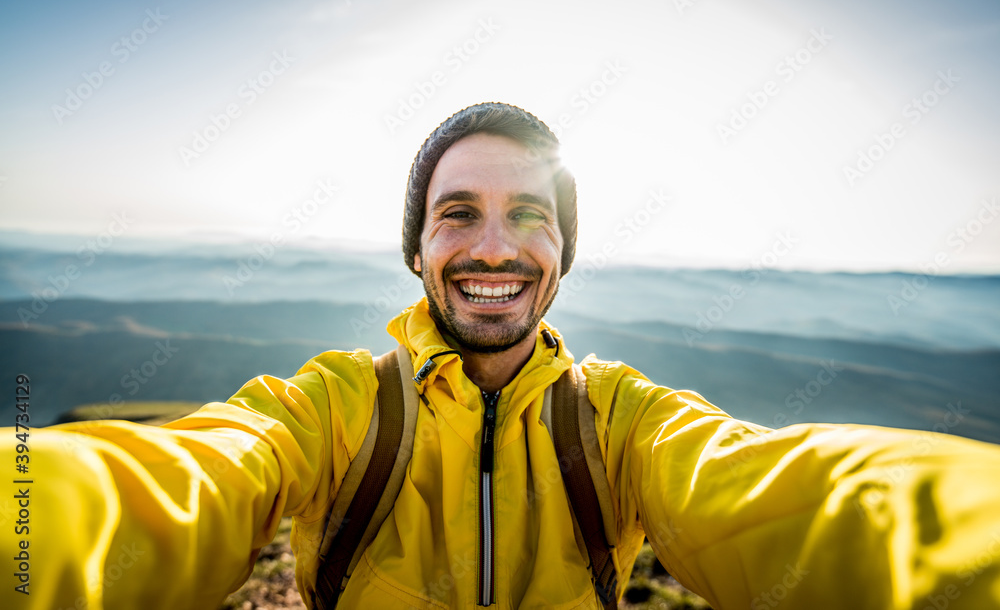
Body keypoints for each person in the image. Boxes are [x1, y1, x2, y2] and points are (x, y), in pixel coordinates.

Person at [3, 102, 1000, 610]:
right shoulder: (336, 403)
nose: (491, 246)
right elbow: (183, 476)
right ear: (418, 248)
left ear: (562, 251)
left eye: (529, 214)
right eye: (456, 214)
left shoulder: (622, 419)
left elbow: (799, 492)